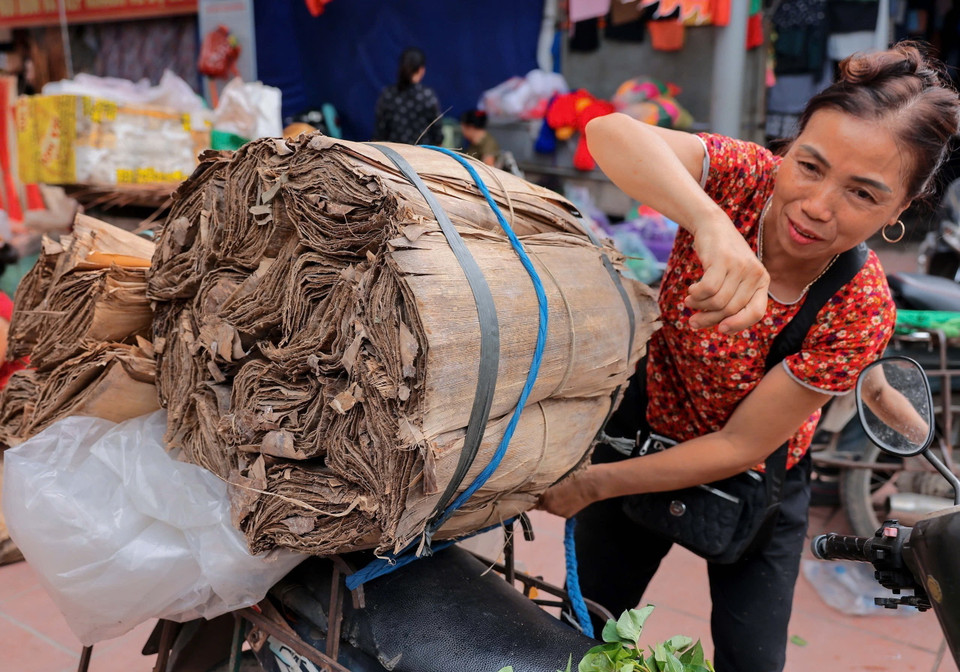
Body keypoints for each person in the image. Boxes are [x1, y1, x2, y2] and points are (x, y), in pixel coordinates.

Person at [538, 42, 960, 672]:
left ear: (900, 211)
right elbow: (608, 133)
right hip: (643, 436)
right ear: (787, 150)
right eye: (810, 166)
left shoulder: (861, 306)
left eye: (863, 195)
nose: (817, 206)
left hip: (755, 484)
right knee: (577, 635)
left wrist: (593, 483)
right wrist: (708, 223)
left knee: (752, 660)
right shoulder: (742, 180)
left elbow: (740, 444)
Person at [373, 47, 443, 146]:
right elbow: (437, 136)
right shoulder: (427, 96)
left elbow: (379, 133)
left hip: (391, 157)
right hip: (422, 156)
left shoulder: (388, 95)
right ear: (421, 70)